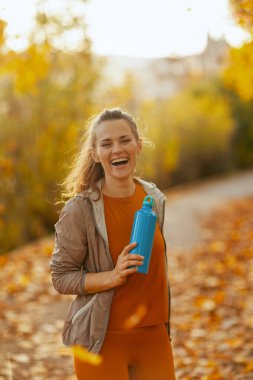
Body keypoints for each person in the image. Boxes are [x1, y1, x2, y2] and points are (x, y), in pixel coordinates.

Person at [50, 108, 176, 380]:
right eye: (106, 144)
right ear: (95, 153)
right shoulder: (80, 210)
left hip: (154, 337)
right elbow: (61, 277)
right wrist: (113, 276)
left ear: (138, 145)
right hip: (101, 341)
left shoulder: (154, 198)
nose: (117, 149)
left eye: (125, 140)